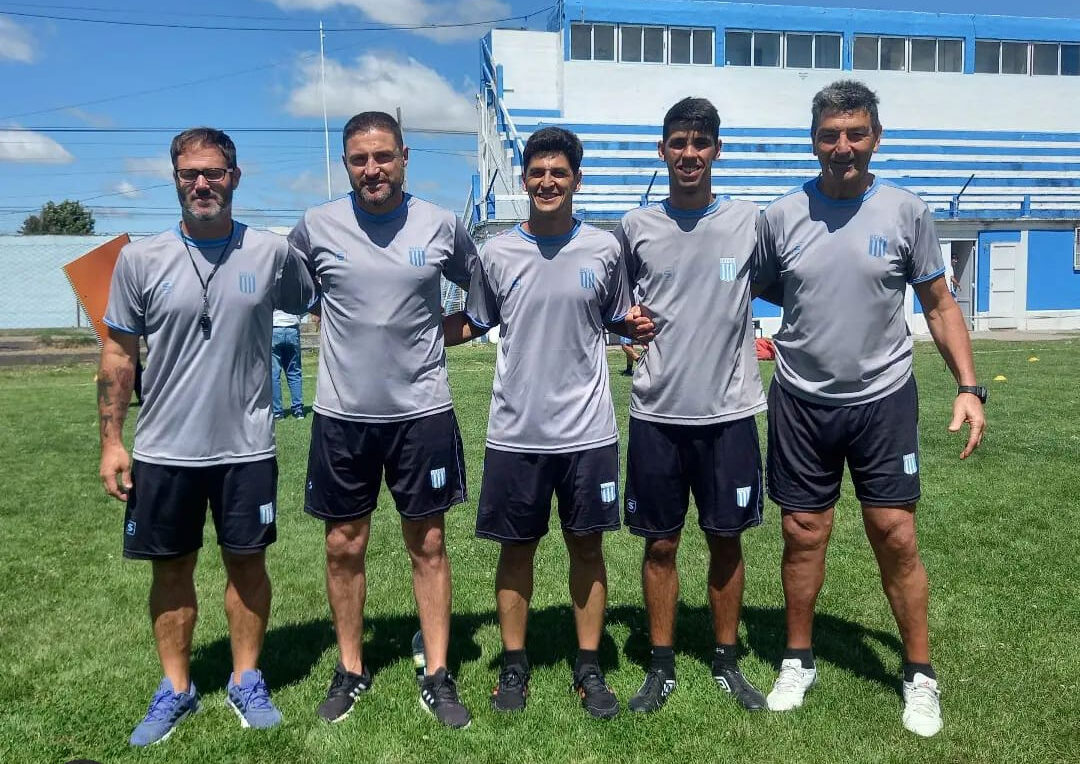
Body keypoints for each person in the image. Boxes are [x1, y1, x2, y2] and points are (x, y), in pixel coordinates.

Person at [755, 80, 986, 737]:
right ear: (813, 142)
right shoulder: (780, 217)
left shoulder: (907, 212)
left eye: (856, 133)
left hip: (883, 400)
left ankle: (919, 675)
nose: (843, 146)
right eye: (830, 135)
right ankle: (797, 661)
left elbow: (939, 306)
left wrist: (969, 388)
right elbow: (763, 286)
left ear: (875, 138)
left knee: (896, 534)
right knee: (803, 532)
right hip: (801, 399)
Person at [98, 127, 315, 746]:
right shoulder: (140, 259)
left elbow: (321, 296)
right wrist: (112, 440)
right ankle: (176, 688)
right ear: (174, 180)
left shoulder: (271, 253)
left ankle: (247, 678)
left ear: (234, 177)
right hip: (165, 449)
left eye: (213, 172)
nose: (202, 183)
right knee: (171, 570)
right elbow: (118, 353)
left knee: (247, 564)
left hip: (247, 447)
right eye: (189, 173)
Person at [444, 127, 640, 720]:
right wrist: (405, 333)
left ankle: (589, 665)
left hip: (588, 432)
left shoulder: (605, 250)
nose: (547, 182)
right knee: (516, 550)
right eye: (537, 173)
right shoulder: (497, 253)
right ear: (524, 178)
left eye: (559, 173)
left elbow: (621, 318)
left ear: (577, 180)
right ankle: (513, 664)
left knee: (588, 547)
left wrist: (641, 328)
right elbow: (475, 321)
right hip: (516, 432)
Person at [289, 111, 475, 729]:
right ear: (346, 165)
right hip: (343, 416)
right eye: (359, 159)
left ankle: (438, 671)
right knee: (343, 544)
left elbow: (485, 291)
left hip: (422, 413)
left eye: (383, 157)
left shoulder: (441, 224)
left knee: (429, 542)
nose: (373, 169)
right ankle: (350, 668)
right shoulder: (315, 227)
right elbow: (292, 293)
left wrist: (443, 334)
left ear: (404, 158)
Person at [615, 97, 767, 714]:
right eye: (678, 143)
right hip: (657, 413)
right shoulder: (635, 227)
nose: (689, 154)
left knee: (727, 540)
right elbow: (614, 307)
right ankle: (661, 664)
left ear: (717, 151)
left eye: (701, 143)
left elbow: (791, 281)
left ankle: (727, 661)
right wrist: (626, 330)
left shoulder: (749, 222)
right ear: (662, 150)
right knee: (660, 545)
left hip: (729, 413)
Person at [270, 309, 305, 420]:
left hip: (274, 327)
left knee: (274, 374)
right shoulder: (296, 295)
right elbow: (304, 307)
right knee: (294, 371)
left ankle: (277, 412)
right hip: (292, 328)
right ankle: (298, 410)